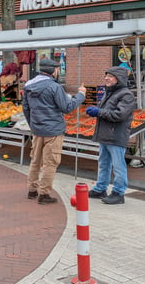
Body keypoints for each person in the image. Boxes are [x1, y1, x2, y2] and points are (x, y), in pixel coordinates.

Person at [23, 59, 87, 204]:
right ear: (53, 71)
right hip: (53, 130)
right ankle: (44, 194)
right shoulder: (54, 87)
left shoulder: (28, 85)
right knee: (50, 163)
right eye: (57, 70)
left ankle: (32, 190)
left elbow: (26, 109)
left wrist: (33, 125)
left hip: (37, 130)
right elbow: (67, 107)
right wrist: (80, 95)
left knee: (35, 161)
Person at [85, 67, 136, 205]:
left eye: (110, 76)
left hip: (116, 136)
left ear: (118, 78)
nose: (106, 78)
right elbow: (107, 111)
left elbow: (120, 115)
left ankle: (119, 193)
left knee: (118, 166)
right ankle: (101, 188)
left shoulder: (126, 95)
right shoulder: (110, 93)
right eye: (106, 75)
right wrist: (97, 111)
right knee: (103, 164)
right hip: (105, 135)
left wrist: (99, 112)